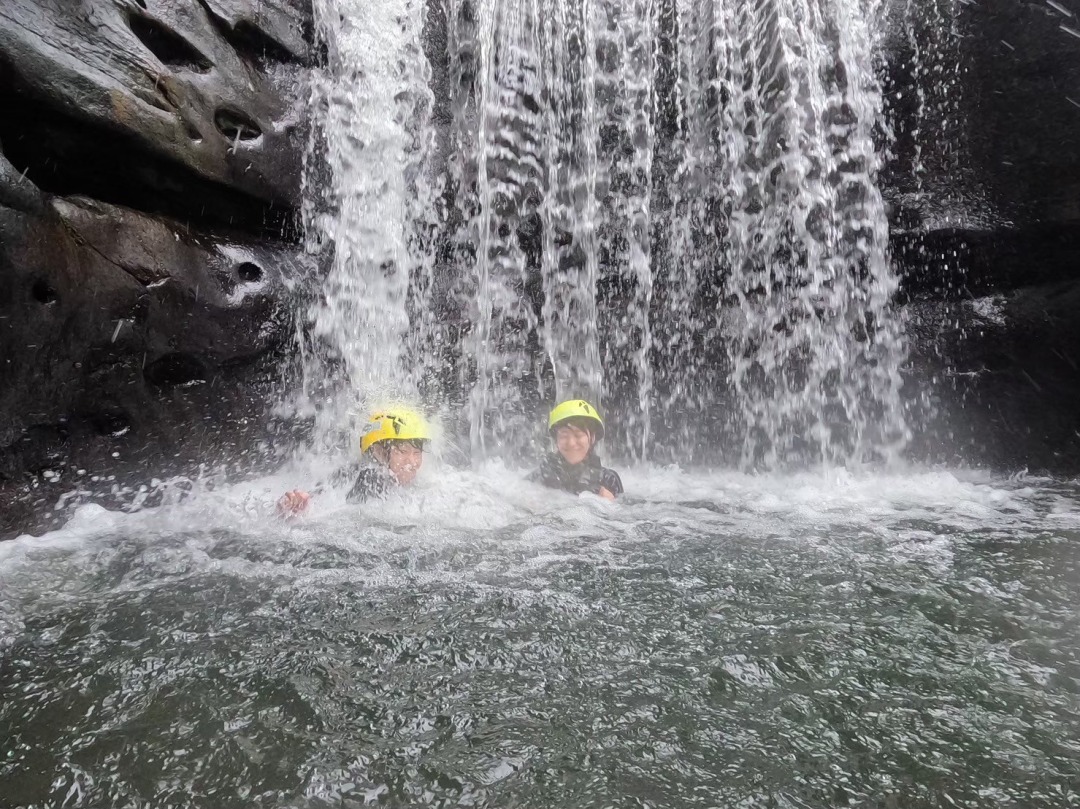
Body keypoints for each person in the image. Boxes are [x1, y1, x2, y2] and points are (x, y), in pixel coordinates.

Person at [276, 407, 431, 517]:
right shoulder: (368, 479)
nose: (412, 462)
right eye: (402, 451)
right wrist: (296, 507)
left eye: (417, 453)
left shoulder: (411, 482)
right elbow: (333, 511)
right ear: (378, 452)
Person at [529, 399, 623, 501]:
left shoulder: (608, 479)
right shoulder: (540, 476)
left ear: (592, 438)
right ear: (556, 440)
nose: (571, 443)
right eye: (564, 436)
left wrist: (611, 505)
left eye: (578, 435)